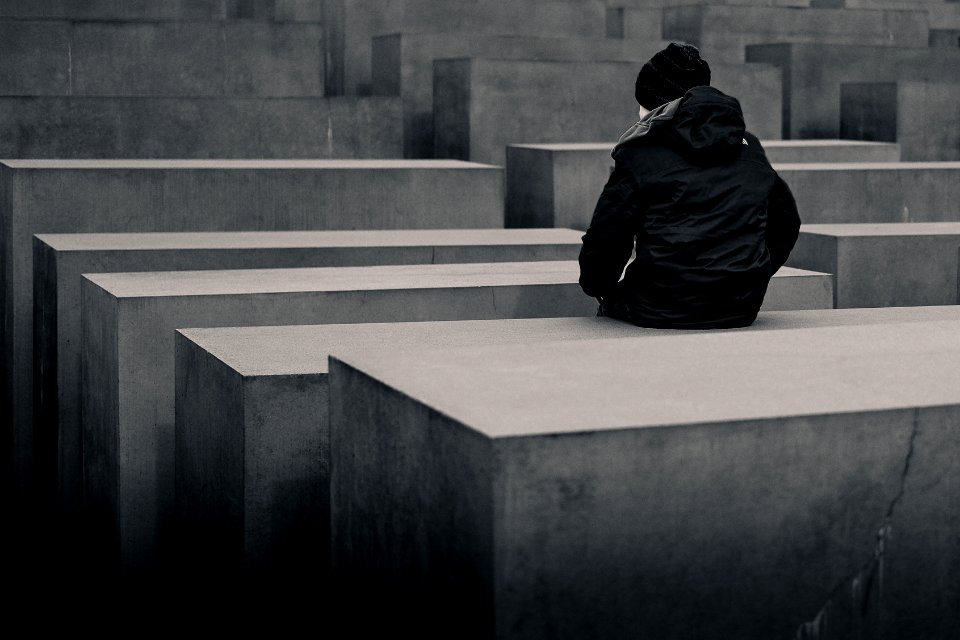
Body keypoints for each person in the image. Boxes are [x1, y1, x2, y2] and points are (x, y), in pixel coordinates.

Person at [578, 42, 800, 329]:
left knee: (610, 309)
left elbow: (608, 236)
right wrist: (752, 272)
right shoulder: (749, 147)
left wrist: (598, 286)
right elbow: (786, 222)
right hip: (741, 305)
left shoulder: (640, 152)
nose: (639, 113)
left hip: (660, 306)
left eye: (644, 104)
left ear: (662, 107)